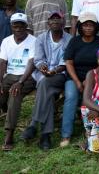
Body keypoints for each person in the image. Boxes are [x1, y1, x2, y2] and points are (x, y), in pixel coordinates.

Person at [21, 11, 72, 150]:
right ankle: (45, 135)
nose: (55, 21)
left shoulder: (69, 39)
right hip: (43, 75)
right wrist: (43, 67)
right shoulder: (41, 38)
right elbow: (38, 59)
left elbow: (66, 62)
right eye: (52, 19)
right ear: (48, 23)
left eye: (58, 19)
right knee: (47, 91)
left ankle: (33, 123)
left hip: (60, 75)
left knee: (44, 83)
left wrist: (54, 71)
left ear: (63, 22)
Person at [60, 12, 99, 147]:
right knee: (71, 96)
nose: (88, 28)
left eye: (91, 25)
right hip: (74, 78)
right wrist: (78, 82)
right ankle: (66, 135)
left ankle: (92, 130)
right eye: (85, 25)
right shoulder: (74, 41)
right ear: (80, 26)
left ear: (95, 27)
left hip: (95, 76)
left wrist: (89, 79)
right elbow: (68, 62)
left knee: (97, 98)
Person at [0, 13, 36, 151]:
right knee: (2, 93)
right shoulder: (6, 41)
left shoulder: (33, 41)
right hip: (10, 76)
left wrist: (20, 82)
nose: (18, 28)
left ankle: (9, 133)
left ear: (26, 26)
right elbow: (2, 62)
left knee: (15, 94)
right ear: (11, 26)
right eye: (16, 25)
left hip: (27, 77)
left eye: (21, 25)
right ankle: (4, 108)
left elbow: (32, 63)